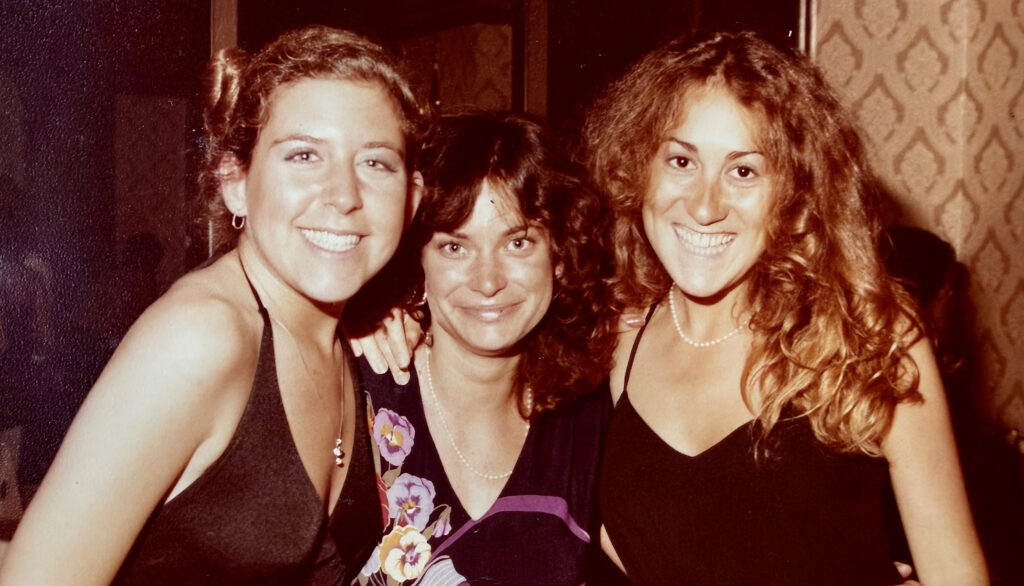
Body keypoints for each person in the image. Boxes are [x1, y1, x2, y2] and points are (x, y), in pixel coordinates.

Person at [0, 25, 426, 585]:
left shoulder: (348, 331)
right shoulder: (200, 338)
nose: (344, 196)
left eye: (375, 163)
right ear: (235, 182)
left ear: (413, 197)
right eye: (303, 155)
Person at [581, 31, 988, 585]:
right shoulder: (619, 338)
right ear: (637, 167)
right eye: (681, 160)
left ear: (793, 190)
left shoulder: (868, 338)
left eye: (743, 171)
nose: (704, 205)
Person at [344, 110, 619, 585]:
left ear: (559, 254)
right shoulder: (359, 392)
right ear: (418, 261)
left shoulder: (588, 417)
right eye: (455, 247)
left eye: (518, 243)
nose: (488, 281)